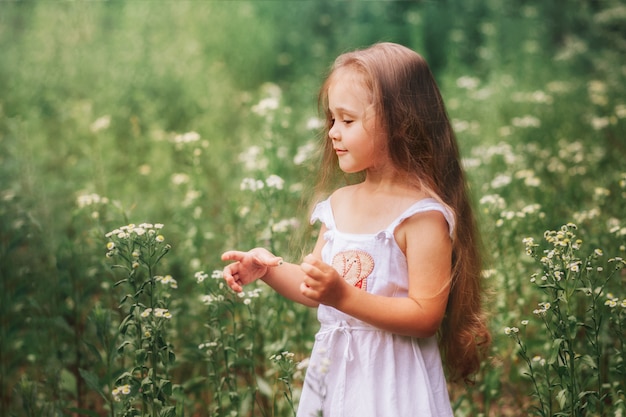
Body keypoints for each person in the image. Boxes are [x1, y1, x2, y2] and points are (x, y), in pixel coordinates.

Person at [222, 42, 490, 417]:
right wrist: (267, 269)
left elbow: (426, 316)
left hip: (394, 383)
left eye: (347, 120)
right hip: (335, 374)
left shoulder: (422, 215)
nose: (333, 132)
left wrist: (343, 296)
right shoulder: (340, 204)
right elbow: (315, 288)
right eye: (331, 119)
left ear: (401, 123)